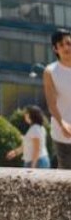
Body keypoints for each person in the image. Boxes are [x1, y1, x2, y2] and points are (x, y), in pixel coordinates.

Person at [43, 29, 71, 169]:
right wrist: (62, 124)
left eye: (69, 43)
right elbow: (51, 104)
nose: (66, 47)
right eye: (61, 44)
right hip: (62, 133)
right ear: (55, 49)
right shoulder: (50, 71)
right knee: (67, 175)